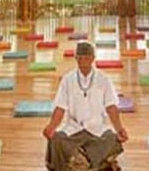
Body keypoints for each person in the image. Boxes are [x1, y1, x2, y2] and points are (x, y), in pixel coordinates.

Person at [42, 42, 128, 171]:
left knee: (112, 138)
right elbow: (60, 108)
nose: (83, 60)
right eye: (80, 57)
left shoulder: (104, 79)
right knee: (56, 139)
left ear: (93, 58)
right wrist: (51, 126)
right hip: (73, 128)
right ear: (75, 58)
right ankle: (92, 161)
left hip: (97, 128)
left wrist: (119, 128)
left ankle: (79, 160)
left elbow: (111, 107)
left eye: (86, 57)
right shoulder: (67, 79)